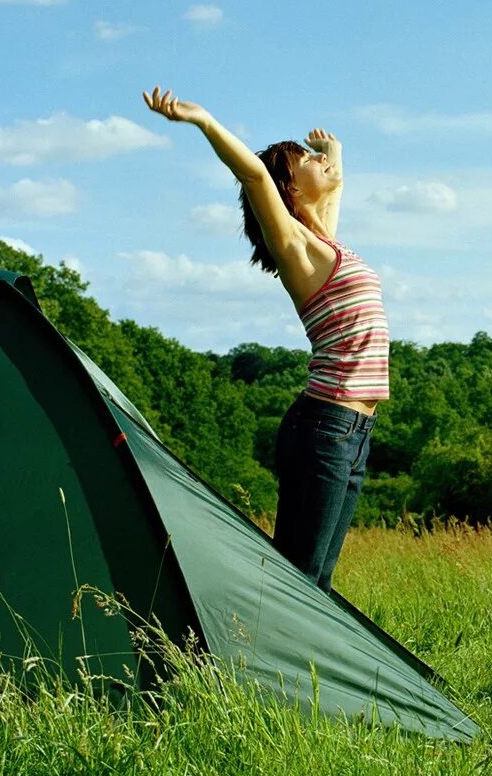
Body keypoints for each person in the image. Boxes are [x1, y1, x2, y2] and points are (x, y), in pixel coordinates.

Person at [142, 86, 388, 593]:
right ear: (288, 189)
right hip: (325, 427)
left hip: (354, 434)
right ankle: (246, 661)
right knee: (298, 582)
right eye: (309, 161)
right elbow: (255, 175)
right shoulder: (296, 248)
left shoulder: (324, 241)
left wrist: (332, 152)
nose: (321, 164)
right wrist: (204, 120)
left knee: (317, 581)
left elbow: (335, 186)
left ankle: (287, 670)